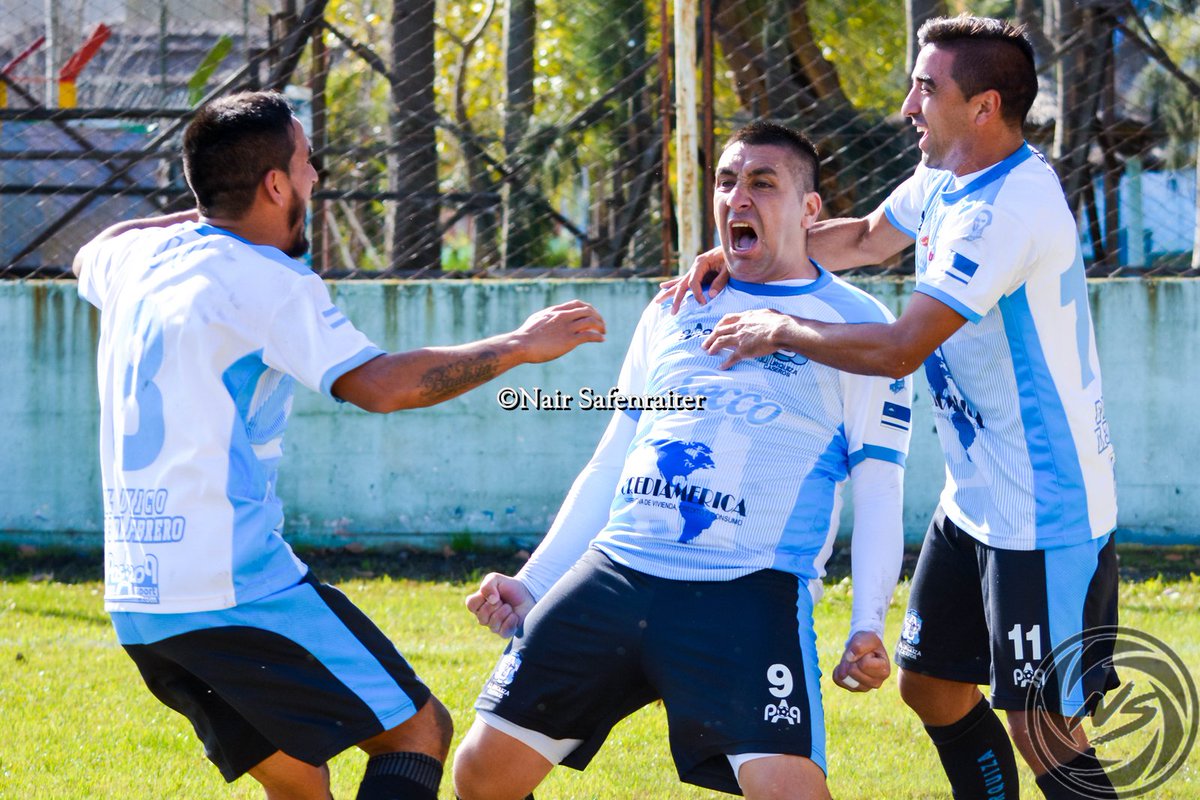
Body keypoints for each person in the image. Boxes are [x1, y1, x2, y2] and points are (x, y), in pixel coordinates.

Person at [73, 90, 606, 800]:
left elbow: (91, 250)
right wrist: (516, 346)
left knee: (298, 782)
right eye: (304, 164)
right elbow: (380, 386)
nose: (315, 179)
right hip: (236, 591)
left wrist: (207, 205)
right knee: (417, 732)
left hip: (141, 602)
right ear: (274, 185)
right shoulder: (269, 282)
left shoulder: (137, 260)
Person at [667, 15, 1119, 800]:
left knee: (1044, 727)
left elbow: (900, 347)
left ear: (982, 107)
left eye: (926, 88)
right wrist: (758, 247)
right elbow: (870, 238)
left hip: (1044, 506)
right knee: (932, 686)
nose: (909, 104)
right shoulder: (948, 173)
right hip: (976, 496)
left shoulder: (1004, 209)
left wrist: (780, 326)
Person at [452, 121, 912, 800]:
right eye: (726, 182)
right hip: (616, 575)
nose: (737, 198)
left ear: (811, 210)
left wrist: (868, 623)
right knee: (482, 775)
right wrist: (536, 580)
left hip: (747, 589)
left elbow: (879, 489)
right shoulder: (675, 305)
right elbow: (614, 455)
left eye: (763, 183)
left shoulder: (862, 327)